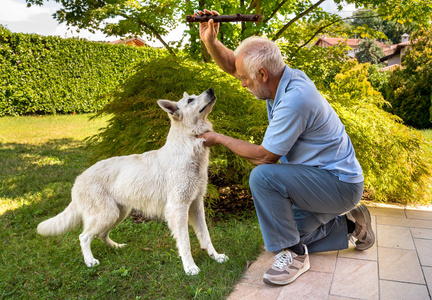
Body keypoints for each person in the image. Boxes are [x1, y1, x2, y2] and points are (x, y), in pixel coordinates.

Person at [196, 9, 375, 286]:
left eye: (245, 79)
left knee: (263, 177)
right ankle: (354, 225)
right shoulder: (282, 77)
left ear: (263, 74)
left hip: (338, 184)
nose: (241, 82)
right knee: (282, 230)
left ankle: (295, 256)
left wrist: (218, 138)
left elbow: (266, 157)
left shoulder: (295, 99)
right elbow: (235, 65)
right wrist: (210, 41)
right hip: (320, 180)